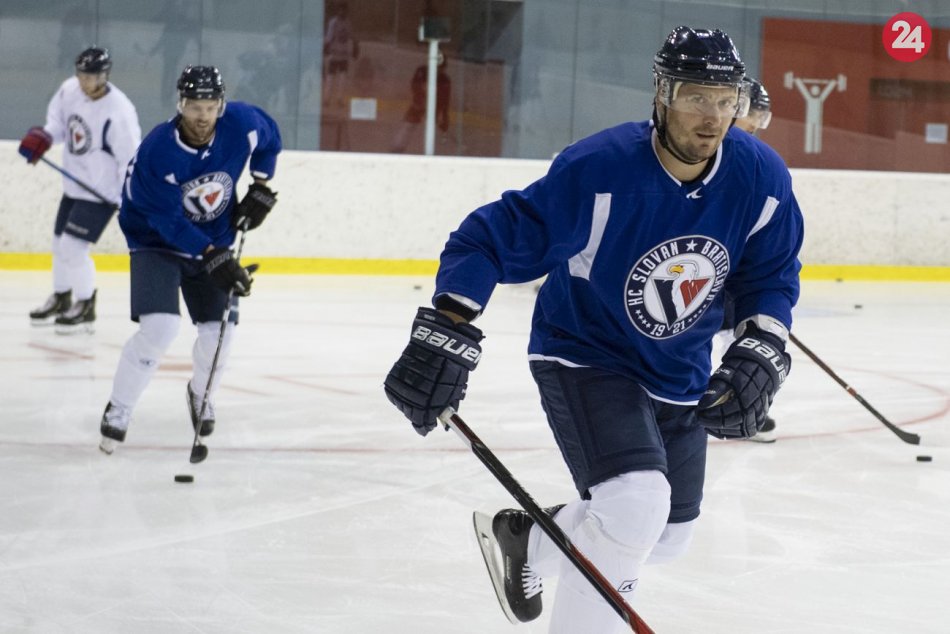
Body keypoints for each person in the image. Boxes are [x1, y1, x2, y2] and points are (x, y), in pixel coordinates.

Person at [384, 26, 803, 632]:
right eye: (695, 97)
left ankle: (529, 542)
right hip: (587, 352)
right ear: (662, 94)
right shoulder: (600, 169)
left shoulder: (760, 178)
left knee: (667, 536)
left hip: (678, 368)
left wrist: (762, 345)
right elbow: (487, 240)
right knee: (634, 506)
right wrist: (446, 325)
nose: (713, 117)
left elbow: (771, 273)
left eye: (724, 99)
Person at [98, 65, 281, 455]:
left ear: (221, 106)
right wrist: (214, 256)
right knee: (160, 328)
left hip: (213, 239)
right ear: (180, 104)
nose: (203, 116)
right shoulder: (158, 151)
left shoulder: (241, 124)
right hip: (155, 242)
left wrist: (261, 184)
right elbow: (167, 220)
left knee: (221, 335)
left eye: (211, 107)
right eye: (195, 107)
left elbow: (270, 136)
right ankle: (120, 407)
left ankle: (201, 394)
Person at [20, 46, 142, 333]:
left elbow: (129, 160)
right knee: (58, 244)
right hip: (73, 185)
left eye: (92, 76)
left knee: (73, 248)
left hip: (101, 193)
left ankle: (86, 303)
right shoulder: (69, 90)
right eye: (82, 75)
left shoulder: (120, 112)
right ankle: (62, 296)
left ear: (104, 75)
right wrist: (44, 138)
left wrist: (128, 198)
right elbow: (58, 125)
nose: (85, 81)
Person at [720, 76, 778, 442]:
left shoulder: (752, 160)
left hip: (726, 270)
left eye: (762, 117)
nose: (756, 125)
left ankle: (736, 403)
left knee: (736, 326)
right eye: (752, 114)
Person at [390, 52, 451, 153]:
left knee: (428, 134)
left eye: (441, 68)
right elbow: (414, 86)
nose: (439, 70)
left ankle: (426, 153)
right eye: (437, 67)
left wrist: (445, 117)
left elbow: (445, 101)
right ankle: (396, 149)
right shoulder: (422, 71)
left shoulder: (445, 80)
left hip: (433, 112)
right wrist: (420, 99)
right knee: (407, 128)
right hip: (417, 107)